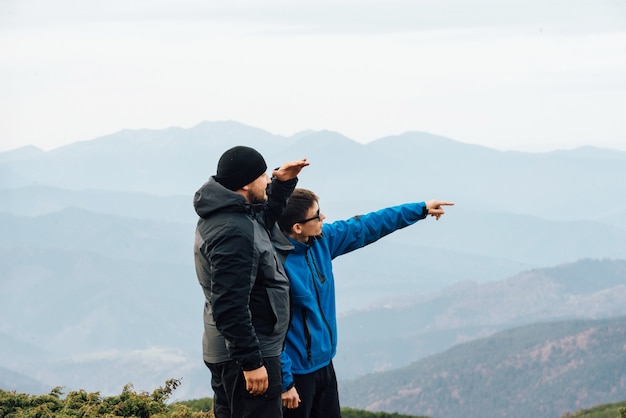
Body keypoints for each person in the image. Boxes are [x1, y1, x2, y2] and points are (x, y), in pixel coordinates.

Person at [275, 188, 454, 418]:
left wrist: (420, 209)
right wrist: (285, 381)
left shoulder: (321, 242)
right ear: (297, 227)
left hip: (324, 365)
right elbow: (268, 328)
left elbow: (367, 225)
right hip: (296, 374)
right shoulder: (277, 264)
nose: (323, 217)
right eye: (316, 214)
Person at [193, 145, 309, 418]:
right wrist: (251, 363)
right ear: (246, 184)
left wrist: (283, 184)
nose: (268, 180)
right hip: (247, 353)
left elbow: (265, 218)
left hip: (239, 349)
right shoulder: (233, 231)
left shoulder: (237, 214)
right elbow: (230, 303)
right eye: (264, 175)